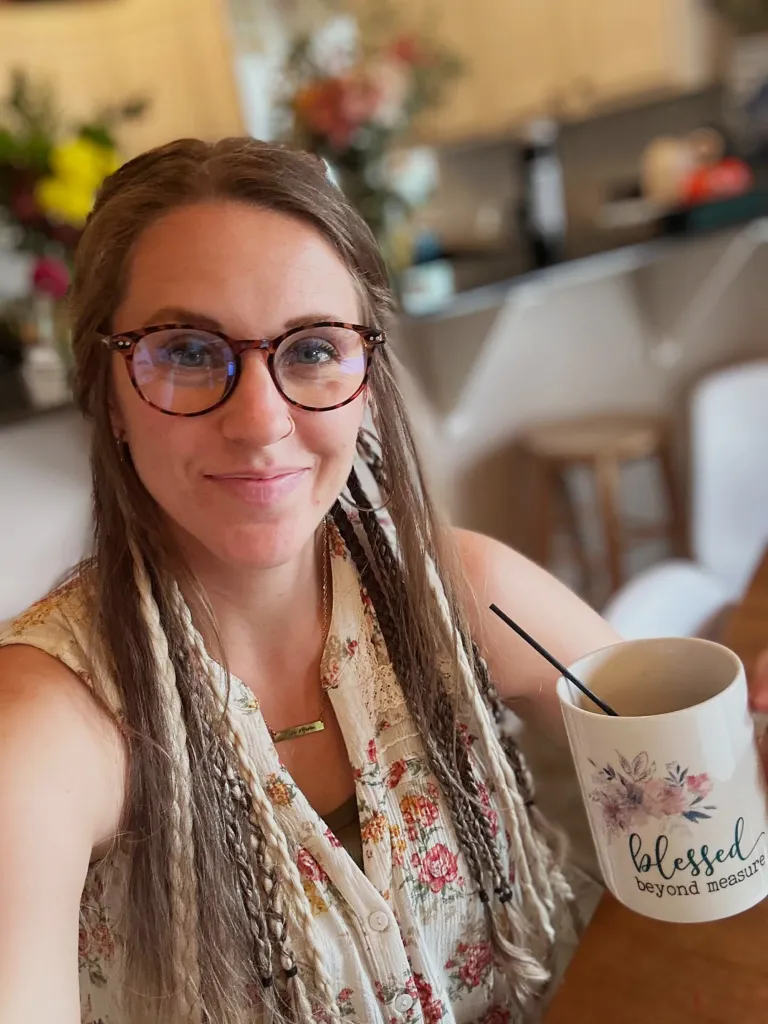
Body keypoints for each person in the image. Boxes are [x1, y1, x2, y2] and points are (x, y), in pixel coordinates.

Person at [0, 138, 619, 1024]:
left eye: (314, 348)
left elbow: (692, 769)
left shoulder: (460, 590)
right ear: (107, 389)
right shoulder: (47, 722)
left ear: (365, 379)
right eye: (184, 351)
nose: (259, 421)